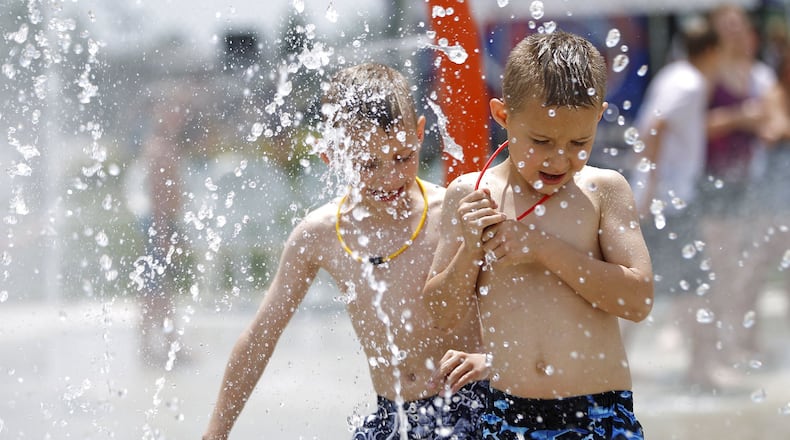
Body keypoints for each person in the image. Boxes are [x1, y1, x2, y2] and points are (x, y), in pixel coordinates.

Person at [203, 63, 488, 440]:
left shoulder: (452, 213)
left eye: (402, 157)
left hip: (473, 410)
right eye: (367, 165)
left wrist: (492, 363)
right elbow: (260, 337)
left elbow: (528, 311)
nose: (390, 177)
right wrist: (215, 433)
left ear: (419, 134)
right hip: (392, 419)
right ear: (332, 157)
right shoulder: (319, 234)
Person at [423, 31, 653, 439]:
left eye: (579, 141)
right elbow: (440, 315)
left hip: (598, 413)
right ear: (502, 115)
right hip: (506, 415)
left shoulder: (603, 191)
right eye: (541, 141)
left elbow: (637, 299)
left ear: (598, 116)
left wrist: (543, 248)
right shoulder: (470, 194)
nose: (559, 157)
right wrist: (470, 251)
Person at [631, 17, 721, 386]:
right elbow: (654, 127)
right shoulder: (692, 82)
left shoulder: (674, 75)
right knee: (696, 286)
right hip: (668, 201)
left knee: (643, 287)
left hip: (662, 198)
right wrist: (650, 190)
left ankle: (612, 364)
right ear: (712, 51)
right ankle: (700, 370)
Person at [692, 4, 776, 388]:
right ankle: (716, 352)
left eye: (740, 26)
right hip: (712, 183)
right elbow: (695, 127)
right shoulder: (706, 76)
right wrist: (743, 117)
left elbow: (775, 118)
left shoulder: (758, 73)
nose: (736, 33)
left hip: (748, 183)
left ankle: (744, 342)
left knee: (750, 268)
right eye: (728, 27)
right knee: (719, 270)